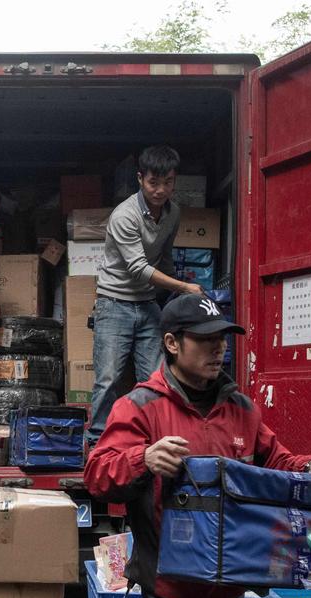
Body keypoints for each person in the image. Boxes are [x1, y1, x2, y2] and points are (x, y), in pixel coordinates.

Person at [84, 294, 311, 598]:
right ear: (171, 343)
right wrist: (143, 459)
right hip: (171, 588)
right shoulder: (140, 406)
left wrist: (309, 466)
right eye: (204, 340)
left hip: (228, 585)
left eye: (222, 339)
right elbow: (97, 474)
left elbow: (273, 460)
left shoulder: (239, 407)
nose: (218, 349)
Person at [86, 145, 205, 448]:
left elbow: (164, 259)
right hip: (114, 304)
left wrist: (173, 299)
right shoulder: (125, 215)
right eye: (154, 182)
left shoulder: (173, 212)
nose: (161, 190)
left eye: (168, 182)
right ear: (140, 178)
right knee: (109, 379)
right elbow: (139, 268)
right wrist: (184, 288)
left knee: (157, 378)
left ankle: (152, 441)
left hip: (148, 305)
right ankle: (98, 445)